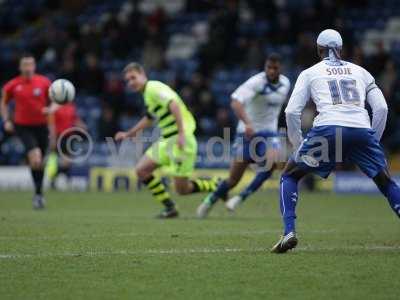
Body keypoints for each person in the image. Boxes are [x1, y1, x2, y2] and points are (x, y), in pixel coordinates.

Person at [271, 29, 400, 253]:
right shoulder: (361, 72)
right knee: (386, 182)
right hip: (361, 129)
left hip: (328, 129)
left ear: (319, 49)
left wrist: (298, 143)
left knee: (290, 175)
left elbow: (291, 112)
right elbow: (381, 108)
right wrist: (372, 140)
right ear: (341, 49)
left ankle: (289, 231)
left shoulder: (310, 73)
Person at [114, 63, 217, 218]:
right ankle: (170, 208)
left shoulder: (153, 88)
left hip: (180, 139)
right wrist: (129, 134)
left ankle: (217, 185)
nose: (131, 83)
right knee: (141, 170)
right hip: (167, 141)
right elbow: (149, 118)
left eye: (133, 77)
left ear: (142, 74)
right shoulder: (147, 94)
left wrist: (182, 133)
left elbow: (173, 104)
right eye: (128, 80)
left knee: (182, 189)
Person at [197, 54, 291, 218]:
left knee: (273, 163)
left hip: (269, 133)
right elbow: (236, 102)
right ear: (265, 67)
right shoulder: (256, 82)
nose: (271, 71)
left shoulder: (286, 84)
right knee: (233, 180)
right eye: (268, 67)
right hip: (246, 133)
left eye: (275, 68)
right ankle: (209, 201)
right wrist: (247, 123)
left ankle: (240, 198)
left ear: (280, 69)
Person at [1, 54, 51, 209]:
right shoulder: (12, 85)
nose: (28, 68)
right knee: (35, 158)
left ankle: (38, 193)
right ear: (20, 67)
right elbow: (3, 103)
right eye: (25, 65)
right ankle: (38, 195)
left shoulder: (44, 83)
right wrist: (7, 120)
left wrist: (52, 109)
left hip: (42, 126)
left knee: (40, 162)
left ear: (35, 66)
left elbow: (54, 101)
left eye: (31, 64)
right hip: (22, 126)